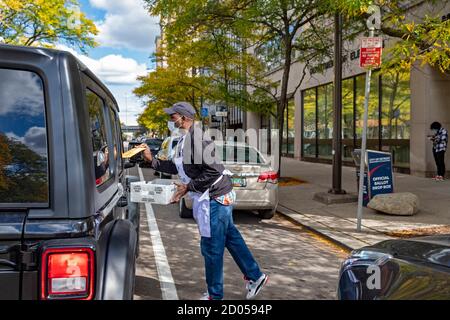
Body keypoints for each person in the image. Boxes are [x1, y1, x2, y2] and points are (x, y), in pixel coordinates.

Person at [137, 101, 268, 300]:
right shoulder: (184, 139)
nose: (171, 119)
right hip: (212, 197)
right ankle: (255, 276)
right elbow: (176, 167)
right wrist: (151, 160)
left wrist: (188, 187)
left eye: (173, 115)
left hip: (214, 199)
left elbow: (213, 171)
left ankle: (215, 296)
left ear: (184, 117)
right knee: (231, 238)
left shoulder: (197, 138)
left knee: (211, 247)